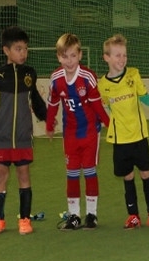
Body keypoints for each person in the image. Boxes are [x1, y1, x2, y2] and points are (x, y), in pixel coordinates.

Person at [0, 26, 47, 235]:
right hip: (2, 136)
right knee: (1, 175)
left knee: (24, 174)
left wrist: (47, 117)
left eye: (25, 49)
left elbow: (35, 100)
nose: (23, 53)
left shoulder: (30, 74)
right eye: (18, 49)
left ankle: (24, 220)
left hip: (23, 136)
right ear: (6, 50)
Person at [46, 33, 111, 230]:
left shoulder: (87, 77)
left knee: (90, 171)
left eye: (73, 56)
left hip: (90, 131)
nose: (69, 61)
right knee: (72, 173)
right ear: (58, 57)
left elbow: (97, 105)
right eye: (64, 56)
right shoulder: (56, 79)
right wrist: (49, 125)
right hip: (70, 134)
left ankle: (92, 214)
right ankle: (74, 215)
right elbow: (53, 103)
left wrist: (109, 123)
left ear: (80, 55)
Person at [98, 34, 149, 229]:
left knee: (146, 174)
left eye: (124, 55)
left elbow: (145, 98)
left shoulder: (134, 74)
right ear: (106, 57)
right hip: (120, 140)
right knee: (128, 177)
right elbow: (101, 108)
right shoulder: (102, 86)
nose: (122, 59)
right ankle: (133, 215)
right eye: (117, 55)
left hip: (139, 136)